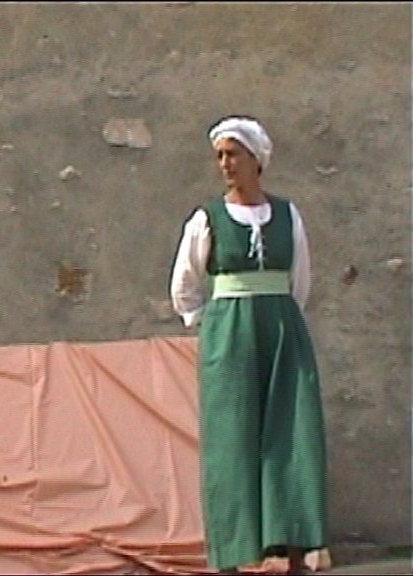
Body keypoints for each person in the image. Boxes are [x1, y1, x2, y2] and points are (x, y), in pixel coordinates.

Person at [169, 116, 328, 575]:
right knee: (232, 438)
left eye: (233, 154)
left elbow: (300, 279)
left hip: (281, 328)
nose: (225, 164)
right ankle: (235, 554)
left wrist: (278, 315)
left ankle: (294, 542)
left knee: (293, 433)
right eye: (220, 155)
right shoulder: (207, 219)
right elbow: (186, 284)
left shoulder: (287, 215)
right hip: (230, 331)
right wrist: (214, 324)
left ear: (256, 160)